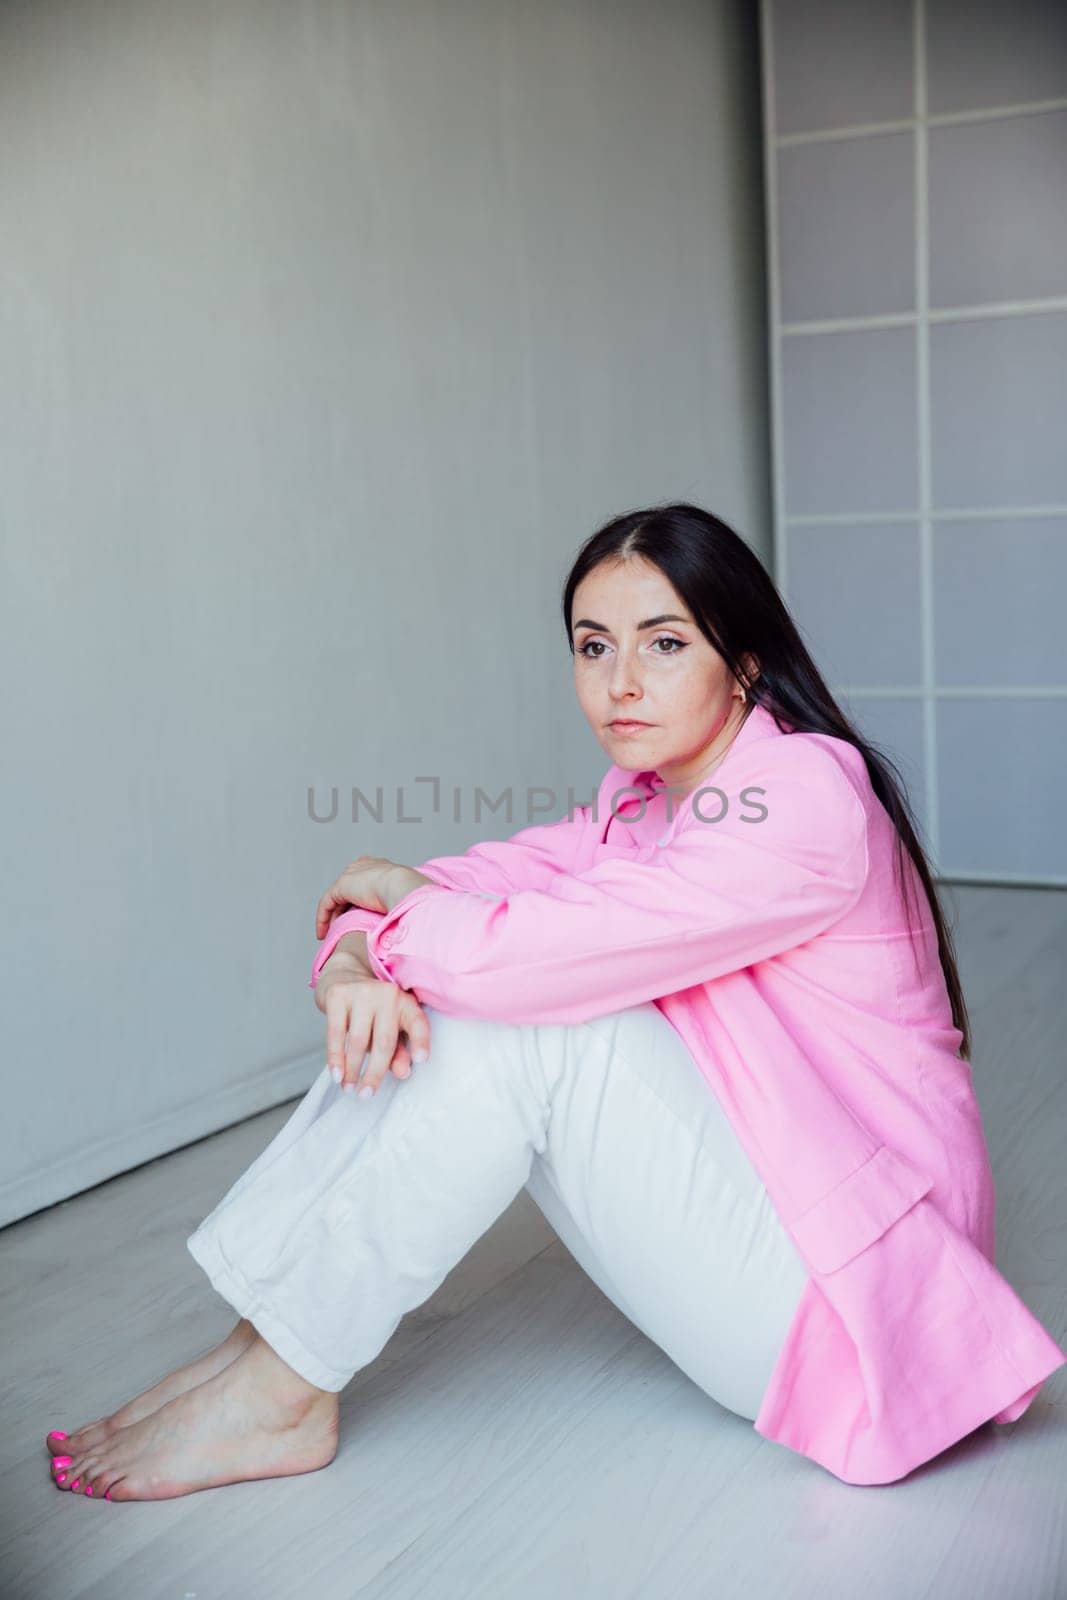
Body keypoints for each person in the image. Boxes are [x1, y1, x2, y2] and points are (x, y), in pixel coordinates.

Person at [45, 503, 1065, 1501]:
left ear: (743, 660)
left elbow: (509, 955)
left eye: (662, 643)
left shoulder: (798, 799)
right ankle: (263, 1348)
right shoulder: (642, 797)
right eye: (591, 645)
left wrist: (394, 927)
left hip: (858, 1310)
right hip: (778, 1222)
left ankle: (278, 1389)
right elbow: (440, 882)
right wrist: (356, 962)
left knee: (521, 1031)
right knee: (477, 994)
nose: (617, 682)